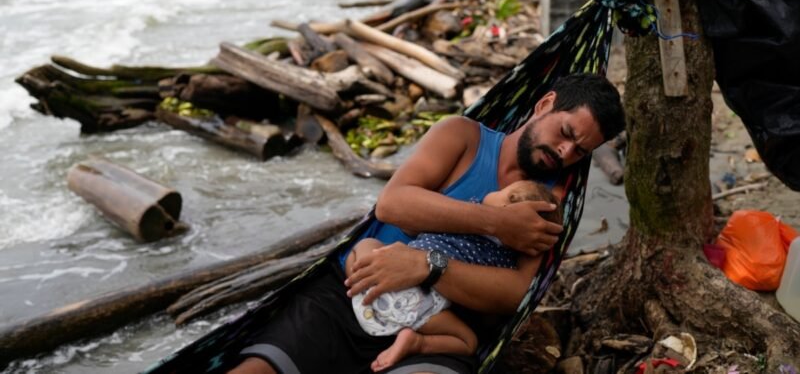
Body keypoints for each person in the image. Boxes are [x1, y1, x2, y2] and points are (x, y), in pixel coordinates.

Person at [228, 74, 625, 374]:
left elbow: (512, 294)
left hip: (434, 329)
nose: (565, 151)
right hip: (351, 293)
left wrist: (427, 266)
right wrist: (496, 222)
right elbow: (392, 204)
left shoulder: (551, 201)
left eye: (581, 151)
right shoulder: (463, 137)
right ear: (545, 105)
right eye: (566, 133)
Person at [346, 180, 562, 372]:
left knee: (366, 245)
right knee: (467, 341)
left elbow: (411, 228)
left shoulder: (464, 214)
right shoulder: (505, 259)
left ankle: (358, 280)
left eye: (503, 189)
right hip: (424, 307)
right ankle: (417, 342)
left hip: (384, 277)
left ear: (510, 198)